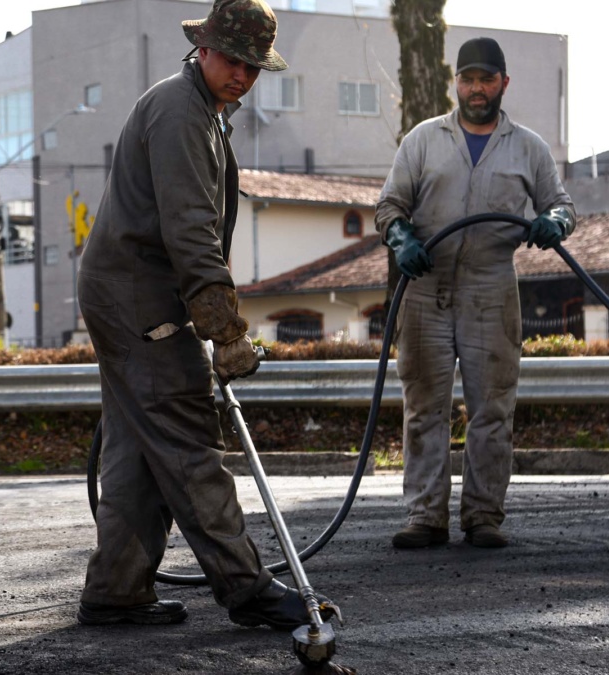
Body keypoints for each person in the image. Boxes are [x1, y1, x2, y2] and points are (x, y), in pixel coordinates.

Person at [76, 0, 332, 630]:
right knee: (189, 438)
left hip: (133, 291)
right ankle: (249, 590)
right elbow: (191, 230)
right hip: (137, 296)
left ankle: (116, 588)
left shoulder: (203, 112)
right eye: (235, 60)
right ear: (204, 49)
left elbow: (195, 231)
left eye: (255, 66)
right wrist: (227, 331)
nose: (243, 74)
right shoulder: (179, 111)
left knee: (138, 447)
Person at [375, 37, 576, 550]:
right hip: (425, 285)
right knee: (424, 405)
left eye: (487, 79)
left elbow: (561, 204)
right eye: (468, 78)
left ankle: (483, 515)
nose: (476, 88)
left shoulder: (528, 147)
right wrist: (402, 240)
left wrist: (554, 221)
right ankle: (426, 516)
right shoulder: (422, 139)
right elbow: (389, 206)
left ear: (503, 83)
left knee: (492, 407)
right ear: (456, 82)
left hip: (492, 285)